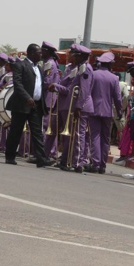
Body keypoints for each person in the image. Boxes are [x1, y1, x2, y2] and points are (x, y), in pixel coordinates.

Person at [4, 44, 48, 167]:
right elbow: (18, 84)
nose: (41, 54)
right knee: (16, 131)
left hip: (36, 105)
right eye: (39, 52)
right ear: (31, 53)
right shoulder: (20, 65)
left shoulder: (39, 68)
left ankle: (41, 159)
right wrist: (27, 97)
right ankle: (10, 156)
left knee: (37, 132)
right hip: (22, 104)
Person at [59, 44, 94, 173]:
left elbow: (84, 91)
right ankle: (71, 160)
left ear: (80, 56)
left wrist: (78, 107)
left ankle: (78, 163)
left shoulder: (85, 69)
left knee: (79, 135)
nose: (72, 57)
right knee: (75, 135)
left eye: (74, 55)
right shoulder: (80, 67)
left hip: (82, 106)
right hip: (76, 105)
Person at [87, 52, 122, 174]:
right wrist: (119, 111)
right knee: (105, 139)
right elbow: (118, 98)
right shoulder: (114, 78)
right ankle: (102, 164)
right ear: (110, 65)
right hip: (107, 112)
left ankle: (95, 163)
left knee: (95, 136)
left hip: (93, 110)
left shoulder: (93, 74)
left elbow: (88, 92)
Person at [40, 42, 63, 161]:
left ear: (47, 51)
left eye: (42, 51)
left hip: (49, 98)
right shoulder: (48, 62)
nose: (40, 53)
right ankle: (49, 153)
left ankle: (50, 153)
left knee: (47, 126)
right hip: (49, 98)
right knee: (48, 127)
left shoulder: (49, 63)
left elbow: (47, 82)